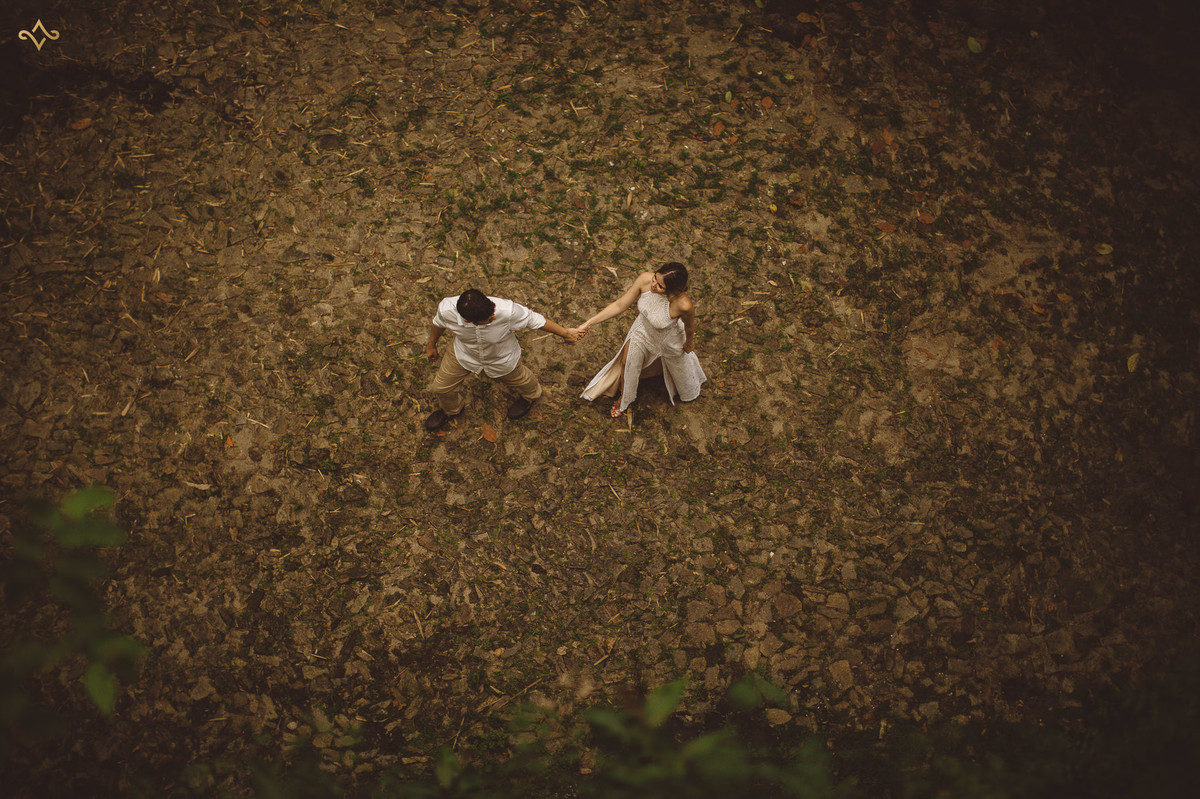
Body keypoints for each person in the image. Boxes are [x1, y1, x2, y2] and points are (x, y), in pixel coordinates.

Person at [424, 288, 584, 430]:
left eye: (492, 313)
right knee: (440, 388)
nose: (494, 316)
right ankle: (451, 410)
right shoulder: (446, 310)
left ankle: (531, 397)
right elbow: (439, 323)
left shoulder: (508, 311)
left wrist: (565, 333)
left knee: (523, 381)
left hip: (501, 359)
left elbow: (537, 320)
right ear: (468, 321)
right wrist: (431, 345)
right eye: (489, 319)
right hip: (464, 355)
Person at [578, 262, 706, 417]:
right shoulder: (645, 279)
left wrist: (689, 342)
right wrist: (589, 323)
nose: (653, 285)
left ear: (673, 289)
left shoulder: (683, 305)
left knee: (680, 371)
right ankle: (624, 398)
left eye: (660, 286)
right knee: (627, 363)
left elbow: (689, 326)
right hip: (642, 331)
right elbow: (620, 305)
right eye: (655, 278)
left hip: (668, 340)